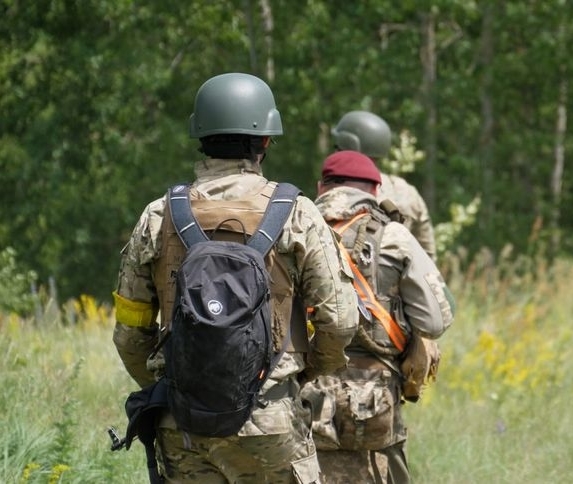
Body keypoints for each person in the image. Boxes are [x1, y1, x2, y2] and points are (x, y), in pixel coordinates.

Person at [111, 72, 358, 483]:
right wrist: (298, 375)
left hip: (182, 423)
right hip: (271, 421)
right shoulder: (297, 214)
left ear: (200, 136)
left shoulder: (158, 216)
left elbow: (130, 333)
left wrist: (180, 382)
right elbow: (341, 321)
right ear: (265, 141)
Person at [300, 150, 455, 483]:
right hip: (374, 398)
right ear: (375, 190)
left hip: (304, 392)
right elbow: (436, 320)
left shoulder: (294, 229)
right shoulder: (395, 236)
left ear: (321, 187)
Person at [331, 110, 437, 260]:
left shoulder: (336, 190)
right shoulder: (407, 192)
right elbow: (428, 257)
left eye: (338, 147)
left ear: (349, 148)